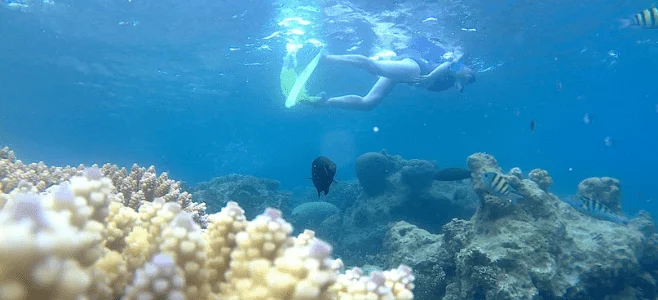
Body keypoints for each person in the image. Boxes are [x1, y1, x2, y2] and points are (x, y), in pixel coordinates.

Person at [299, 36, 477, 111]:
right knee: (373, 66)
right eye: (470, 73)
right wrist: (429, 77)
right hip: (416, 66)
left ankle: (323, 102)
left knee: (368, 104)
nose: (469, 75)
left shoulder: (454, 83)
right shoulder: (457, 66)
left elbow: (460, 83)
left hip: (406, 78)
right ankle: (325, 57)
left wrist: (462, 83)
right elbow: (448, 65)